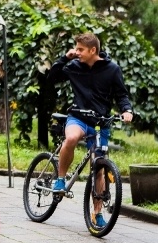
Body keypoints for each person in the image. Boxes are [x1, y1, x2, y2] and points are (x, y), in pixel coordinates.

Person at [48, 32, 134, 226]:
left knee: (99, 168)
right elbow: (52, 77)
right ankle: (60, 179)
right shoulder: (73, 66)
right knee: (71, 139)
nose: (76, 52)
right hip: (78, 117)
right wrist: (65, 58)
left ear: (93, 50)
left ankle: (97, 213)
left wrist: (127, 110)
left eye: (80, 49)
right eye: (76, 48)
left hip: (100, 122)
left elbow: (122, 94)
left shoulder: (112, 69)